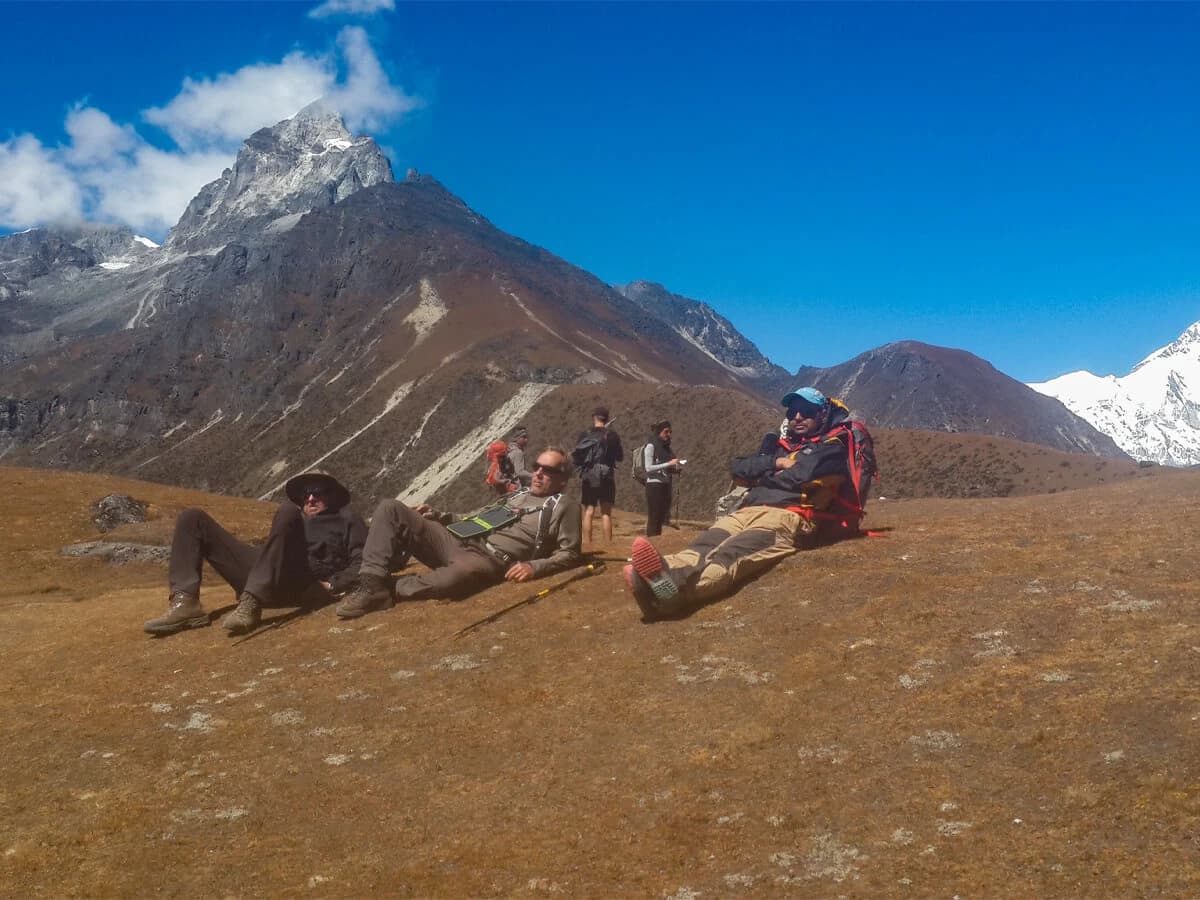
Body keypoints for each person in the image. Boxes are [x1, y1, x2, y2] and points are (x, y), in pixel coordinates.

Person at [623, 387, 855, 620]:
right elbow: (738, 466)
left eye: (805, 411)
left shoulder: (831, 448)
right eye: (792, 411)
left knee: (731, 555)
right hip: (747, 510)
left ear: (821, 414)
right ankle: (658, 575)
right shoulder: (780, 448)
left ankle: (674, 593)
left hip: (786, 517)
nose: (797, 417)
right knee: (702, 546)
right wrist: (778, 463)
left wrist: (764, 473)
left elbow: (803, 475)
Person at [335, 446, 582, 618]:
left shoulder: (565, 506)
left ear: (563, 479)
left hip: (487, 559)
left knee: (457, 577)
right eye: (537, 466)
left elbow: (570, 553)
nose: (538, 473)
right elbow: (475, 516)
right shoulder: (518, 494)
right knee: (390, 508)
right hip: (456, 538)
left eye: (548, 470)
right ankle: (371, 581)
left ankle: (385, 589)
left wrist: (534, 567)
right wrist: (439, 515)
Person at [143, 471, 368, 637]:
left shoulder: (348, 519)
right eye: (305, 493)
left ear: (333, 495)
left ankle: (252, 601)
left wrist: (334, 584)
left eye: (317, 491)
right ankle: (185, 603)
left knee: (287, 510)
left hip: (305, 582)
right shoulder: (296, 520)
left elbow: (363, 560)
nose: (309, 498)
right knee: (192, 518)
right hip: (267, 573)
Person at [574, 407, 623, 545]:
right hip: (607, 474)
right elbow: (620, 457)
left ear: (594, 417)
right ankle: (608, 544)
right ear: (607, 419)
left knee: (589, 510)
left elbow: (578, 456)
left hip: (589, 474)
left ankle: (587, 544)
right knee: (606, 512)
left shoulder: (585, 434)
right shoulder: (612, 435)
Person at [642, 419, 681, 537]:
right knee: (654, 517)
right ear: (659, 432)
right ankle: (651, 542)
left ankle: (656, 542)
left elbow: (664, 465)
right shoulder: (651, 446)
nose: (668, 434)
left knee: (661, 517)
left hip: (665, 484)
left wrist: (674, 469)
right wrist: (668, 464)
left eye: (670, 432)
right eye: (666, 431)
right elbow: (648, 468)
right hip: (654, 486)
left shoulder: (666, 448)